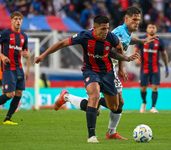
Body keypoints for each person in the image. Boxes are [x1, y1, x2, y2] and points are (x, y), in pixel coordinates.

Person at [54, 6, 158, 140]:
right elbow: (114, 50)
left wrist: (141, 41)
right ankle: (67, 97)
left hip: (110, 69)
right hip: (104, 68)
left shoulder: (125, 32)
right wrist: (122, 65)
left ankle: (111, 132)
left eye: (138, 19)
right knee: (103, 106)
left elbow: (125, 42)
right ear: (126, 18)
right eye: (134, 19)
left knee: (114, 104)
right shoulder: (119, 31)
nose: (137, 22)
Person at [34, 14, 140, 143]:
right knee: (94, 97)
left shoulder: (111, 37)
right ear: (94, 28)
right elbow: (62, 43)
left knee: (114, 107)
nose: (106, 32)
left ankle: (66, 97)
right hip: (91, 71)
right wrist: (43, 55)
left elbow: (119, 49)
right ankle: (92, 136)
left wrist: (121, 67)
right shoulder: (84, 36)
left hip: (107, 72)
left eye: (107, 28)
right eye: (102, 29)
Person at [0, 11, 30, 125]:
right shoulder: (5, 33)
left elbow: (26, 51)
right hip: (8, 68)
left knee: (19, 94)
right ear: (11, 20)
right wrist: (2, 56)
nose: (18, 21)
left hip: (19, 68)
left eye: (20, 19)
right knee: (10, 94)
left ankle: (8, 118)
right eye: (15, 19)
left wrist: (26, 54)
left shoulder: (24, 36)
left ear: (22, 21)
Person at [133, 22, 169, 113]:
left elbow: (164, 54)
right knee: (143, 88)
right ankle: (144, 102)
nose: (152, 29)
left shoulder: (159, 41)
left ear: (156, 29)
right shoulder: (142, 39)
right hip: (144, 68)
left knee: (155, 87)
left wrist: (166, 67)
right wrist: (135, 58)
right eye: (150, 27)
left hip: (155, 68)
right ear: (147, 29)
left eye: (153, 27)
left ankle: (153, 107)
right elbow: (135, 50)